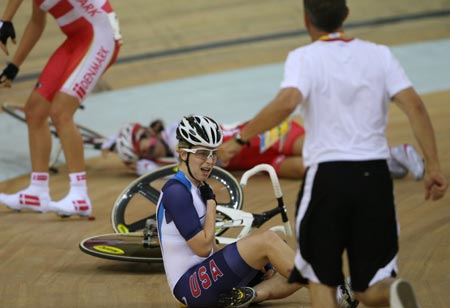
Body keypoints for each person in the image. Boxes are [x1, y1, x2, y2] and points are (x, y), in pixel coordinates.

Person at [219, 0, 448, 308]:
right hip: (375, 179)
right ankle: (394, 291)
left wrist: (240, 141)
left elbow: (287, 102)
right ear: (346, 15)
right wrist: (434, 167)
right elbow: (415, 107)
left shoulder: (305, 58)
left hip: (329, 178)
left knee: (320, 283)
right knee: (370, 288)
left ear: (306, 20)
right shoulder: (380, 54)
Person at [155, 114, 360, 308]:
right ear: (183, 153)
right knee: (269, 242)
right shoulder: (176, 192)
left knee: (291, 257)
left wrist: (259, 258)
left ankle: (252, 294)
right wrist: (211, 205)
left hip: (203, 277)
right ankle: (332, 294)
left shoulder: (197, 187)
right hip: (188, 288)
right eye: (202, 153)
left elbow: (211, 248)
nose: (209, 161)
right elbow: (201, 248)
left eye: (213, 153)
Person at [0, 0, 122, 217]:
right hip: (76, 39)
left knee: (61, 112)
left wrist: (6, 18)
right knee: (35, 111)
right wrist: (14, 66)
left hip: (99, 35)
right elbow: (37, 23)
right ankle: (37, 191)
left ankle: (79, 195)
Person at [104, 115, 425, 181]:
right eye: (139, 152)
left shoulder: (177, 132)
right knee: (307, 169)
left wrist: (149, 167)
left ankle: (395, 151)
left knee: (321, 148)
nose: (144, 151)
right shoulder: (162, 153)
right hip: (256, 159)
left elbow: (190, 162)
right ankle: (381, 165)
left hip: (260, 137)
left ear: (147, 131)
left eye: (140, 143)